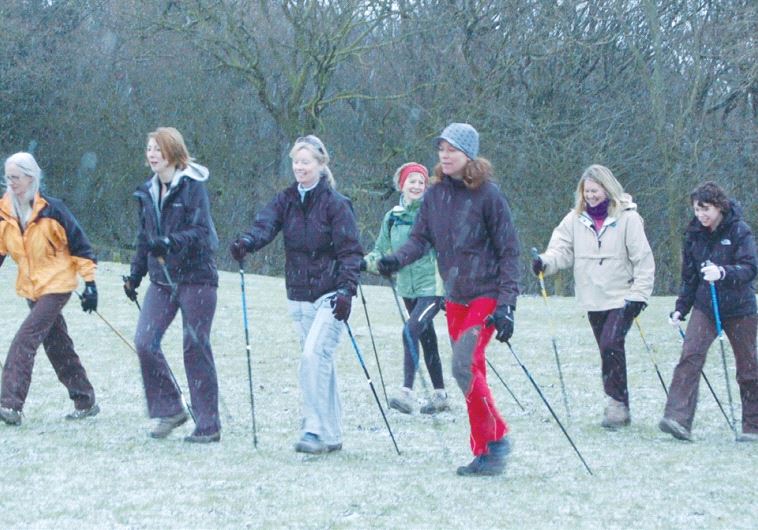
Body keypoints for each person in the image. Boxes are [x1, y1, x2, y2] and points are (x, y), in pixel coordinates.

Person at [378, 123, 520, 476]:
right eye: (441, 148)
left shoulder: (488, 195)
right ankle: (486, 450)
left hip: (486, 295)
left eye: (452, 149)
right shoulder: (435, 194)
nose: (444, 154)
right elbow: (419, 239)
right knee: (470, 372)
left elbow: (509, 251)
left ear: (468, 154)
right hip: (455, 297)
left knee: (462, 366)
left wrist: (507, 305)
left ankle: (496, 439)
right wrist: (395, 260)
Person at [230, 134, 362, 455]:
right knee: (319, 360)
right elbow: (265, 225)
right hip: (298, 293)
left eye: (306, 162)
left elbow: (350, 251)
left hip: (330, 295)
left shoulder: (335, 204)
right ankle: (332, 434)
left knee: (312, 357)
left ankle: (313, 429)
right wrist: (247, 242)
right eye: (296, 162)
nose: (300, 167)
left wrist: (346, 290)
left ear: (320, 164)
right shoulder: (286, 200)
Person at [532, 164, 655, 429]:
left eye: (595, 191)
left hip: (623, 296)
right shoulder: (574, 219)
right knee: (607, 350)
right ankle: (619, 403)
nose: (590, 196)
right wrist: (544, 262)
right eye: (586, 191)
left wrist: (639, 295)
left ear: (607, 189)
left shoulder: (628, 218)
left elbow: (643, 259)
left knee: (611, 344)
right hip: (592, 297)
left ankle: (616, 404)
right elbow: (561, 250)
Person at [122, 127, 221, 443]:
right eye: (149, 149)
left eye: (158, 149)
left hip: (197, 278)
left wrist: (170, 242)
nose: (152, 154)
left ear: (173, 153)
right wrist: (135, 276)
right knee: (144, 341)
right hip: (161, 280)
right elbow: (144, 238)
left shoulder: (193, 187)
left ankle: (208, 425)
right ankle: (170, 410)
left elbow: (202, 232)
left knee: (195, 347)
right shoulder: (147, 191)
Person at [0, 152, 99, 426]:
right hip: (32, 288)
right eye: (8, 177)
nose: (11, 183)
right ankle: (85, 400)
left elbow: (81, 246)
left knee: (25, 339)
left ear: (31, 177)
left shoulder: (53, 210)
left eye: (16, 177)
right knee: (58, 345)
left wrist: (90, 285)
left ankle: (10, 405)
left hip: (57, 286)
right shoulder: (5, 213)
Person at [660, 181, 757, 442]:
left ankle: (753, 425)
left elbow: (750, 268)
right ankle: (677, 419)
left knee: (748, 367)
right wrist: (680, 309)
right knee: (690, 356)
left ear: (719, 207)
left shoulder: (739, 230)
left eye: (706, 209)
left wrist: (723, 272)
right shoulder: (693, 234)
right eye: (697, 209)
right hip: (706, 307)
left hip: (740, 308)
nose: (701, 215)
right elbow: (689, 277)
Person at [364, 162, 448, 415]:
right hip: (407, 288)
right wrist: (365, 263)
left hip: (433, 287)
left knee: (410, 330)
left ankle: (406, 393)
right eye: (412, 181)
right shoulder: (393, 217)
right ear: (401, 185)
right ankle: (440, 395)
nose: (417, 186)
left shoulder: (433, 213)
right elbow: (380, 250)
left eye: (422, 182)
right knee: (426, 337)